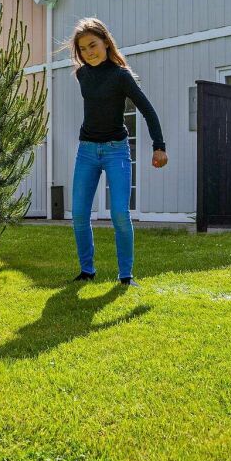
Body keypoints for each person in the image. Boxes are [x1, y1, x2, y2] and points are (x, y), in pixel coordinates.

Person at [67, 18, 167, 287]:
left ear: (105, 43)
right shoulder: (82, 76)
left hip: (116, 151)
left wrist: (159, 146)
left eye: (93, 45)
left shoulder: (120, 75)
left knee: (120, 213)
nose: (89, 52)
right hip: (86, 152)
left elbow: (147, 110)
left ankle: (126, 276)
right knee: (78, 214)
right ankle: (87, 271)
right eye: (83, 49)